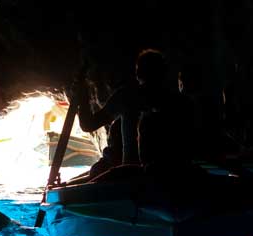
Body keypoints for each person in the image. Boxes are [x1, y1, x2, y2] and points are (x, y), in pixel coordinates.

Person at [71, 49, 190, 178]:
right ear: (164, 73)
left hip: (130, 173)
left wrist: (83, 99)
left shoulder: (127, 96)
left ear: (138, 73)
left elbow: (88, 125)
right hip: (171, 172)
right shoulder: (178, 101)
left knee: (95, 172)